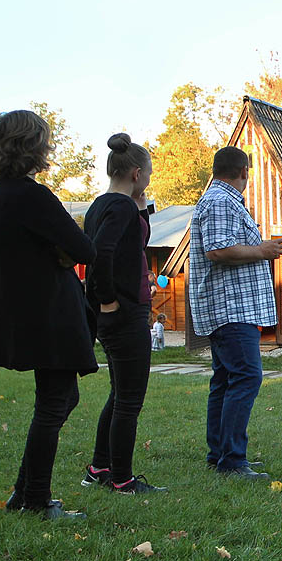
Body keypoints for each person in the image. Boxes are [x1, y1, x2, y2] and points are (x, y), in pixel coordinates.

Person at [0, 109, 97, 520]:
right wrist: (63, 250)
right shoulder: (32, 196)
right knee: (54, 402)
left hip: (21, 312)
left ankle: (23, 493)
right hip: (47, 314)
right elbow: (84, 249)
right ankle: (36, 499)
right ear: (31, 146)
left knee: (60, 399)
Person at [189, 146, 282, 480]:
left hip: (229, 308)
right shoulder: (221, 201)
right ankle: (232, 460)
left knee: (225, 380)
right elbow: (217, 250)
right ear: (244, 171)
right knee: (246, 376)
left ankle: (220, 454)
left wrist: (260, 250)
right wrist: (262, 250)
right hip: (232, 309)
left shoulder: (219, 200)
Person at [82, 132, 166, 495]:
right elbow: (100, 252)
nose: (149, 179)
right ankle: (122, 479)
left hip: (118, 313)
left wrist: (142, 207)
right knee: (129, 400)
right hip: (124, 312)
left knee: (119, 394)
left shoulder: (102, 205)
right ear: (136, 173)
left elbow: (134, 243)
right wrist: (108, 301)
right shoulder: (120, 208)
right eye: (148, 174)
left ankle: (99, 468)